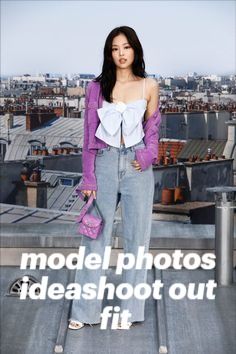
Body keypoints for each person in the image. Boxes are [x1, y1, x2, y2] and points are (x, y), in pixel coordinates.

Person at [68, 26, 161, 330]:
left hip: (137, 168)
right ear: (109, 54)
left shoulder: (149, 85)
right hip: (104, 163)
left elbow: (153, 130)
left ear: (136, 50)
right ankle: (84, 312)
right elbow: (87, 136)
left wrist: (146, 157)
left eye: (126, 47)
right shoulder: (96, 87)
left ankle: (129, 312)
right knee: (94, 238)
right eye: (115, 48)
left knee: (137, 241)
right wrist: (89, 178)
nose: (121, 54)